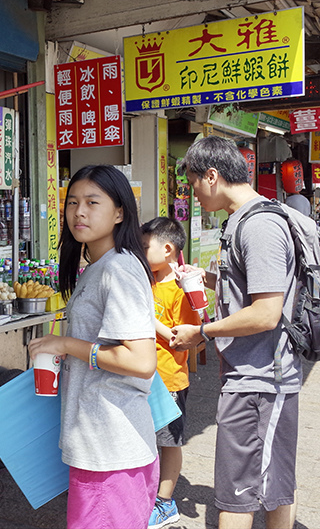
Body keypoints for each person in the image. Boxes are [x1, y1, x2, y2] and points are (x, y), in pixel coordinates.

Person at [170, 135, 300, 529]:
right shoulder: (245, 221)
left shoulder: (258, 226)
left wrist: (202, 331)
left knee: (236, 497)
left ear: (211, 176)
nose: (193, 194)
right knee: (273, 485)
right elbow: (251, 289)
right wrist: (207, 278)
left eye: (192, 183)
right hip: (256, 376)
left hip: (261, 380)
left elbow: (265, 313)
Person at [28, 164, 158, 529]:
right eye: (72, 203)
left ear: (119, 212)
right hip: (101, 441)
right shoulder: (101, 266)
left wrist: (66, 343)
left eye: (92, 202)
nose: (79, 212)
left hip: (111, 446)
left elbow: (141, 360)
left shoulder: (118, 269)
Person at [141, 217, 201, 529]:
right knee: (147, 440)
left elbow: (184, 341)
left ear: (167, 250)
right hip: (141, 377)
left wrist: (148, 319)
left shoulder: (181, 290)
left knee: (169, 442)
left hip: (169, 381)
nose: (139, 250)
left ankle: (164, 502)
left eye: (144, 245)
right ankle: (147, 495)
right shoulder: (143, 280)